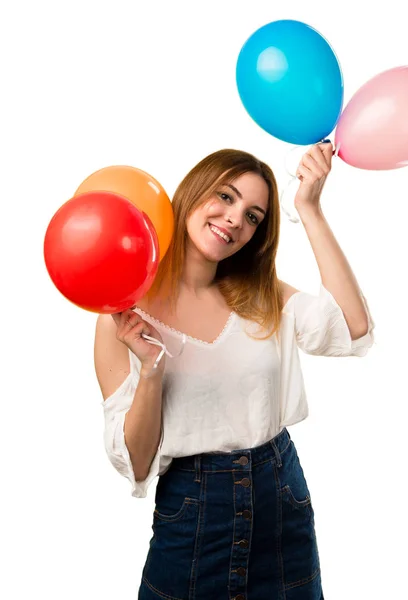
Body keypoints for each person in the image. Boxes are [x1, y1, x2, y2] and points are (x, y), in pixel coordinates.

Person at [94, 143, 374, 600]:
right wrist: (150, 368)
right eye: (225, 197)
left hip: (280, 498)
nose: (235, 219)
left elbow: (353, 328)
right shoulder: (123, 315)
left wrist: (310, 207)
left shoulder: (261, 295)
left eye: (253, 216)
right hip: (193, 512)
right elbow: (137, 463)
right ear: (195, 189)